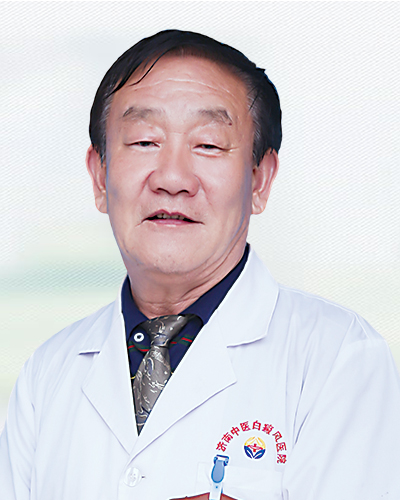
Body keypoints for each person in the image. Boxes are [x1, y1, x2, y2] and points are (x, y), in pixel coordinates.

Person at [0, 29, 399, 500]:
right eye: (144, 141)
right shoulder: (47, 374)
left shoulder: (338, 358)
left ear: (260, 180)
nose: (172, 178)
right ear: (99, 176)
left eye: (208, 144)